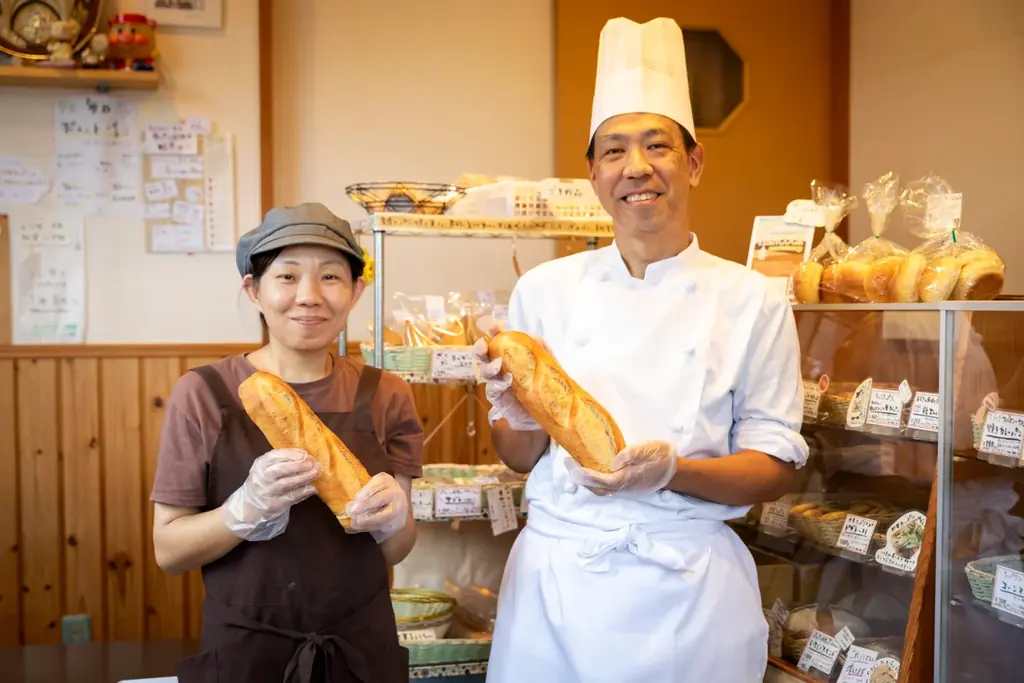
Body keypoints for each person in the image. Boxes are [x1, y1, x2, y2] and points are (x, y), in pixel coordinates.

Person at [477, 18, 808, 683]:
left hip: (688, 589)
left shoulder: (754, 299)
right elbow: (520, 457)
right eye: (614, 151)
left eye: (657, 145)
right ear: (594, 175)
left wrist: (672, 470)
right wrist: (512, 409)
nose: (636, 168)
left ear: (694, 162)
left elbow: (774, 465)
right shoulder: (543, 290)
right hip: (558, 586)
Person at [150, 203, 423, 683]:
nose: (309, 296)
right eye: (288, 277)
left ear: (357, 291)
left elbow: (396, 549)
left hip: (361, 650)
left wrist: (393, 520)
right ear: (254, 290)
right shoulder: (205, 393)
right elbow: (169, 551)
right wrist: (244, 510)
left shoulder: (386, 393)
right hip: (247, 653)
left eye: (332, 278)